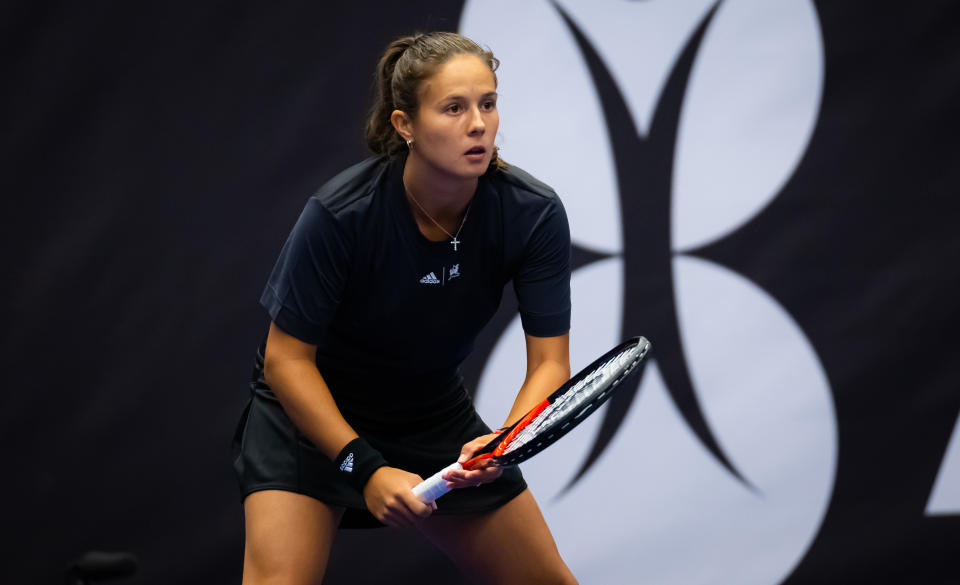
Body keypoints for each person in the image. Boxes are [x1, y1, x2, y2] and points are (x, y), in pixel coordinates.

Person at [232, 31, 577, 585]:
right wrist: (362, 467)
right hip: (310, 419)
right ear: (405, 126)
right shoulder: (341, 214)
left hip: (430, 414)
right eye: (453, 108)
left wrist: (505, 442)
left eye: (487, 103)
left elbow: (549, 366)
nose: (478, 124)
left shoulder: (532, 213)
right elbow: (285, 362)